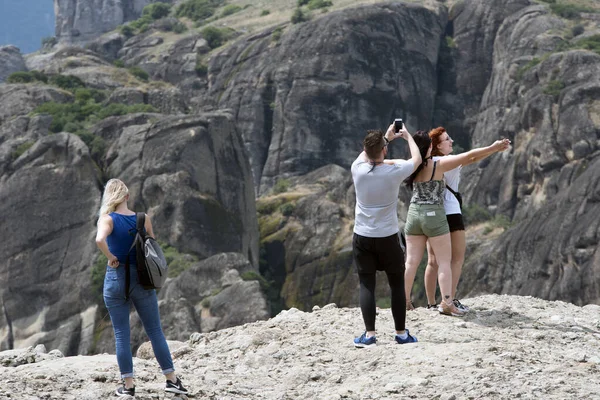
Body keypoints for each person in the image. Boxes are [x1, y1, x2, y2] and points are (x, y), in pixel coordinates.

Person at [95, 179, 188, 397]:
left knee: (121, 333)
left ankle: (128, 386)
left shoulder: (106, 219)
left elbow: (99, 240)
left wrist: (111, 257)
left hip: (116, 279)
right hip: (142, 279)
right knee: (155, 331)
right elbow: (151, 247)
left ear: (109, 198)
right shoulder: (143, 219)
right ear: (127, 196)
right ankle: (171, 381)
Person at [403, 132, 510, 316]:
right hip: (435, 215)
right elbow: (471, 156)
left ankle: (404, 300)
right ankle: (447, 302)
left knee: (413, 262)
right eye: (446, 139)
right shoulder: (439, 163)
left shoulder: (412, 164)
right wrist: (494, 147)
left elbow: (388, 164)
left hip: (413, 214)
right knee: (447, 261)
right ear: (431, 146)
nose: (451, 141)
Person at [351, 122, 421, 348]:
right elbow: (417, 160)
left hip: (362, 236)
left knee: (367, 285)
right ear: (384, 150)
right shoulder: (394, 171)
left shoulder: (357, 169)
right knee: (397, 285)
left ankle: (369, 335)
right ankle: (401, 334)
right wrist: (407, 136)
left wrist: (386, 139)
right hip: (388, 237)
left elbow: (367, 154)